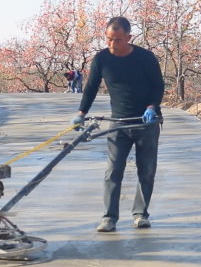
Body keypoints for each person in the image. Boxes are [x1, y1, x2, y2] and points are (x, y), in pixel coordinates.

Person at [70, 17, 164, 233]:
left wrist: (152, 107)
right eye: (109, 39)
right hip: (118, 123)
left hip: (145, 123)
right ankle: (109, 218)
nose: (112, 45)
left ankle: (140, 214)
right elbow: (91, 87)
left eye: (118, 40)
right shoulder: (102, 59)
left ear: (129, 37)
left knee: (146, 170)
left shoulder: (146, 58)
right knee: (113, 171)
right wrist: (81, 113)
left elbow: (158, 86)